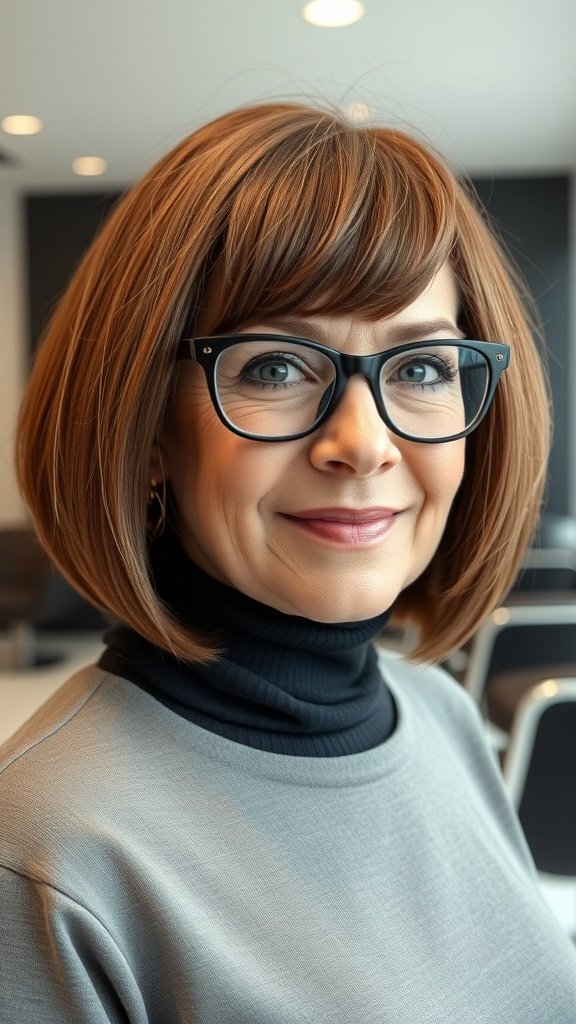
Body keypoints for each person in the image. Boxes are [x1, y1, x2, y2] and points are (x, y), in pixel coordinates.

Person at [1, 101, 574, 1023]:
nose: (364, 443)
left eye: (422, 368)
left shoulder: (438, 711)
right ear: (147, 425)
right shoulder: (48, 853)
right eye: (275, 366)